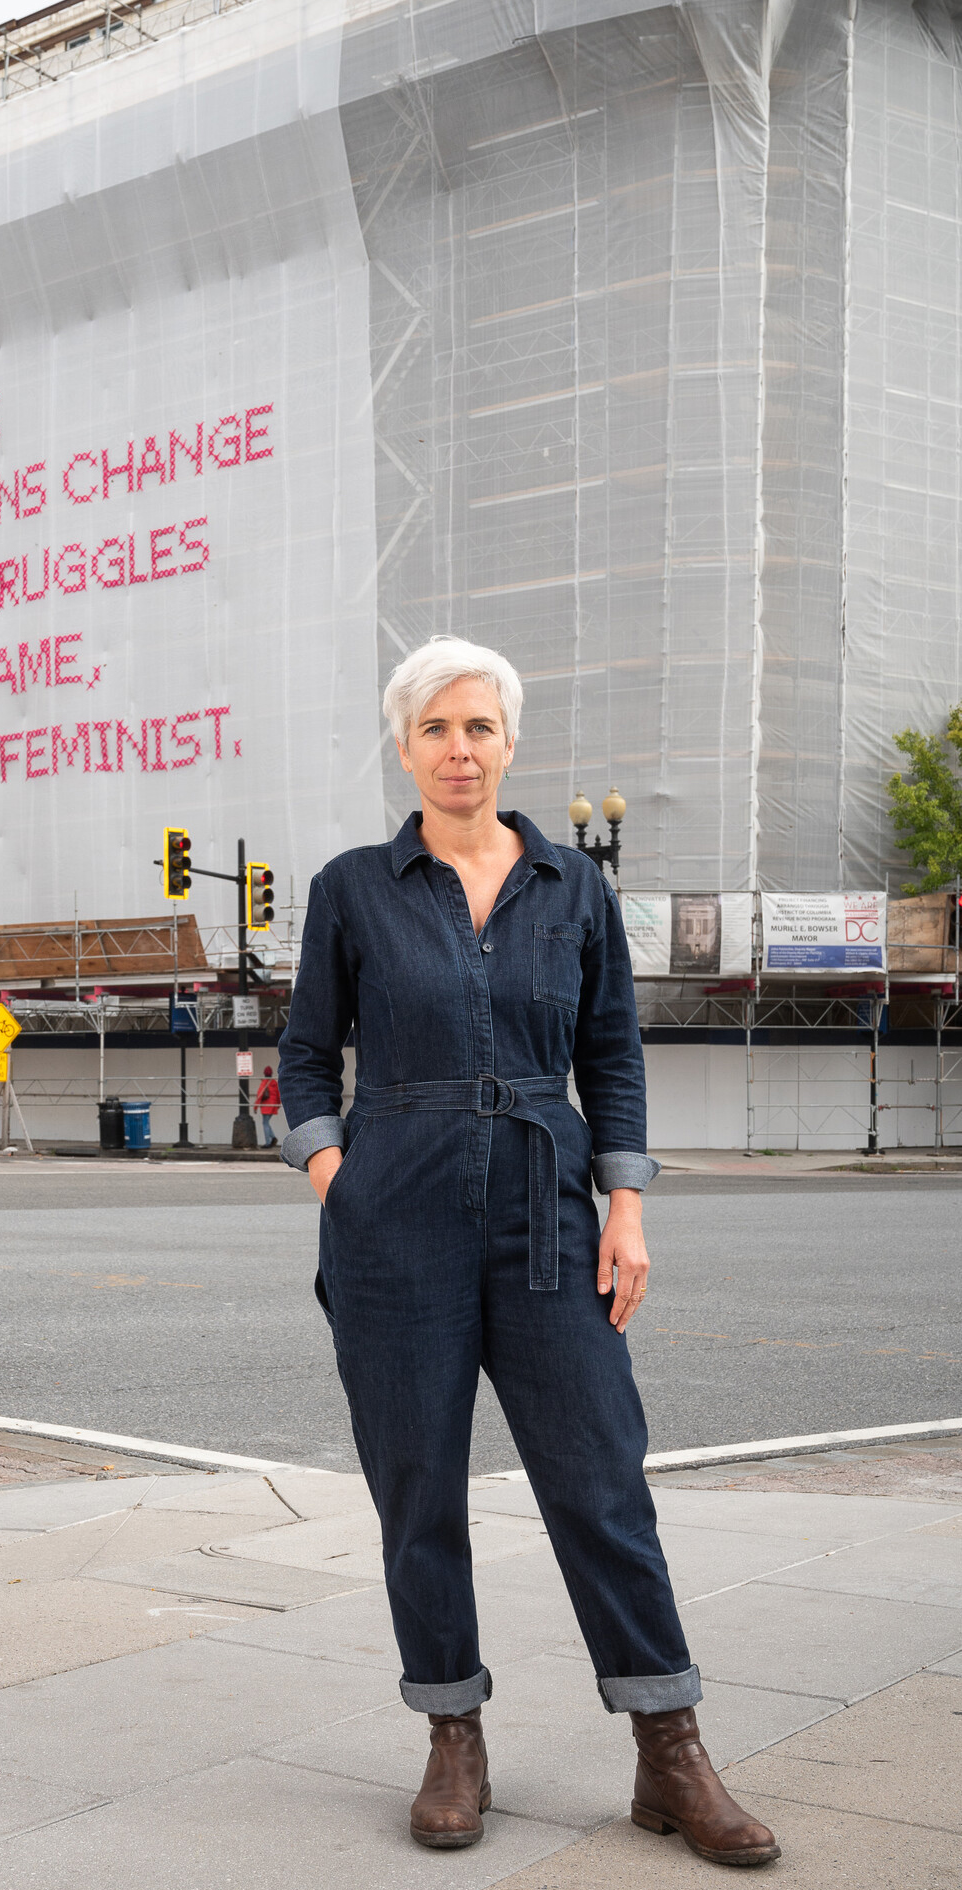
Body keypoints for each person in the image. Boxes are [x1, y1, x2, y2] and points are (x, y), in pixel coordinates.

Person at [277, 636, 779, 1866]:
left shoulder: (571, 885)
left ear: (508, 742)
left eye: (480, 728)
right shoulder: (352, 886)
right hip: (394, 1218)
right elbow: (302, 1058)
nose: (460, 749)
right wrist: (339, 1178)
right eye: (437, 728)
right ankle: (452, 1734)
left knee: (601, 1476)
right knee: (416, 1488)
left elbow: (610, 1056)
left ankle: (669, 1748)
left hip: (553, 1217)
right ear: (404, 745)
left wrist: (626, 1206)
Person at [254, 1065, 281, 1146]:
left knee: (265, 1123)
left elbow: (259, 1095)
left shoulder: (264, 1082)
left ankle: (268, 1142)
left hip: (266, 1105)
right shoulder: (274, 1083)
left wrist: (255, 1107)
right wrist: (278, 1105)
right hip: (273, 1105)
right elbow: (278, 1094)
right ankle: (272, 1138)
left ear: (264, 1073)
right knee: (266, 1122)